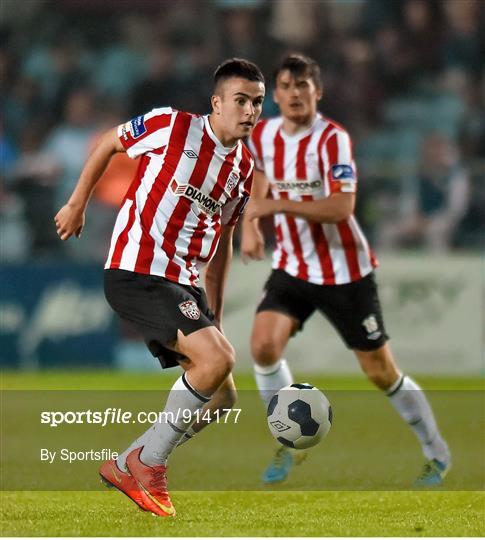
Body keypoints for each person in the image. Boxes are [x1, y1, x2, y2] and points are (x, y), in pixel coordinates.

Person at [54, 58, 265, 516]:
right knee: (216, 363)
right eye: (241, 100)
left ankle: (128, 462)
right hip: (137, 268)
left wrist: (216, 318)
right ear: (217, 102)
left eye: (258, 103)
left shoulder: (244, 168)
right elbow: (109, 142)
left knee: (223, 396)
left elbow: (223, 243)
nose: (250, 111)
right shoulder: (171, 125)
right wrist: (77, 203)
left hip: (184, 282)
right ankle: (148, 463)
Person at [241, 53, 451, 486]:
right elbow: (260, 175)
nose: (295, 94)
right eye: (287, 86)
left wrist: (277, 204)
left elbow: (342, 206)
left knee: (380, 371)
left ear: (318, 92)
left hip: (344, 271)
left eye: (304, 86)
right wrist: (251, 228)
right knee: (262, 346)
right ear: (275, 94)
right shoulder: (262, 135)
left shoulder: (332, 139)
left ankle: (437, 452)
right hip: (294, 266)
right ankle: (288, 442)